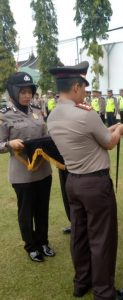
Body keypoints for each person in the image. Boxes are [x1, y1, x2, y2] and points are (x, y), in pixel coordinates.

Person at [47, 61, 123, 300]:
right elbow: (108, 142)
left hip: (72, 181)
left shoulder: (52, 116)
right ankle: (104, 292)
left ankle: (81, 282)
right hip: (94, 184)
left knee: (80, 235)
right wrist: (121, 129)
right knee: (102, 238)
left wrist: (111, 128)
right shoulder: (86, 114)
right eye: (83, 87)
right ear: (75, 87)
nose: (85, 92)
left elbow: (92, 135)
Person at [0, 72, 55, 262]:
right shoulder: (4, 115)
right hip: (22, 174)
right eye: (22, 92)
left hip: (43, 170)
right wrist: (8, 144)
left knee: (42, 209)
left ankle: (43, 241)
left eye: (29, 91)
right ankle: (31, 246)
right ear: (14, 93)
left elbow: (45, 135)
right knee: (26, 211)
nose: (26, 95)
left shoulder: (37, 110)